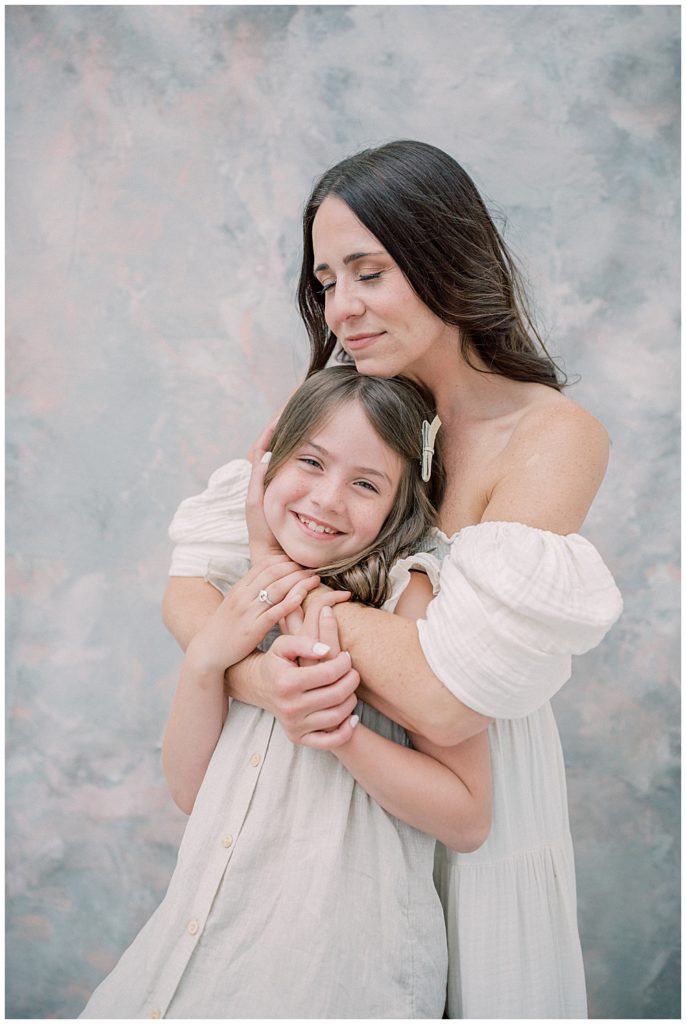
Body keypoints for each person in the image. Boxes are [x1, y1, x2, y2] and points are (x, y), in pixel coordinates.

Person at [162, 140, 624, 1019]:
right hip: (336, 803)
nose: (342, 308)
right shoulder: (351, 409)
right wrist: (261, 679)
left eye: (368, 272)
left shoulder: (551, 435)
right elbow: (188, 588)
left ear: (445, 256)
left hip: (472, 795)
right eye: (328, 280)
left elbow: (451, 699)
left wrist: (275, 581)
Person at [80, 366, 494, 1020]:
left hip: (334, 971)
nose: (328, 499)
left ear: (399, 504)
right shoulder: (244, 591)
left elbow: (468, 818)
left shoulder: (408, 595)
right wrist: (208, 660)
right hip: (201, 943)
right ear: (268, 463)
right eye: (310, 462)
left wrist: (339, 733)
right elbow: (192, 791)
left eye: (365, 483)